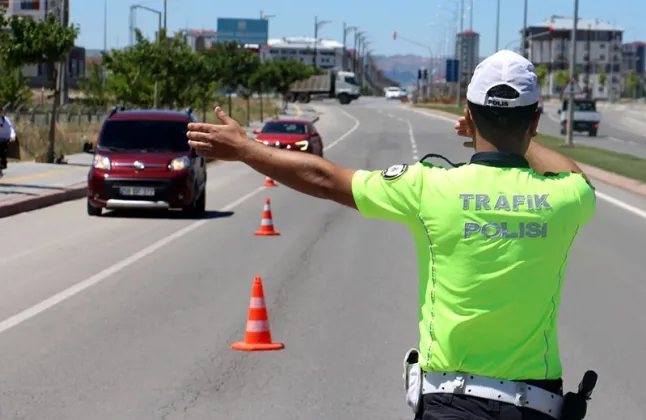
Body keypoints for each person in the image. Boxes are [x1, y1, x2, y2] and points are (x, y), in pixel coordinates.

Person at [186, 50, 596, 420]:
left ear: (468, 116)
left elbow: (325, 178)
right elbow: (578, 176)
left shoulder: (429, 187)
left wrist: (245, 148)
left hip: (451, 405)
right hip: (537, 409)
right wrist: (522, 142)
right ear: (536, 121)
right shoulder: (564, 197)